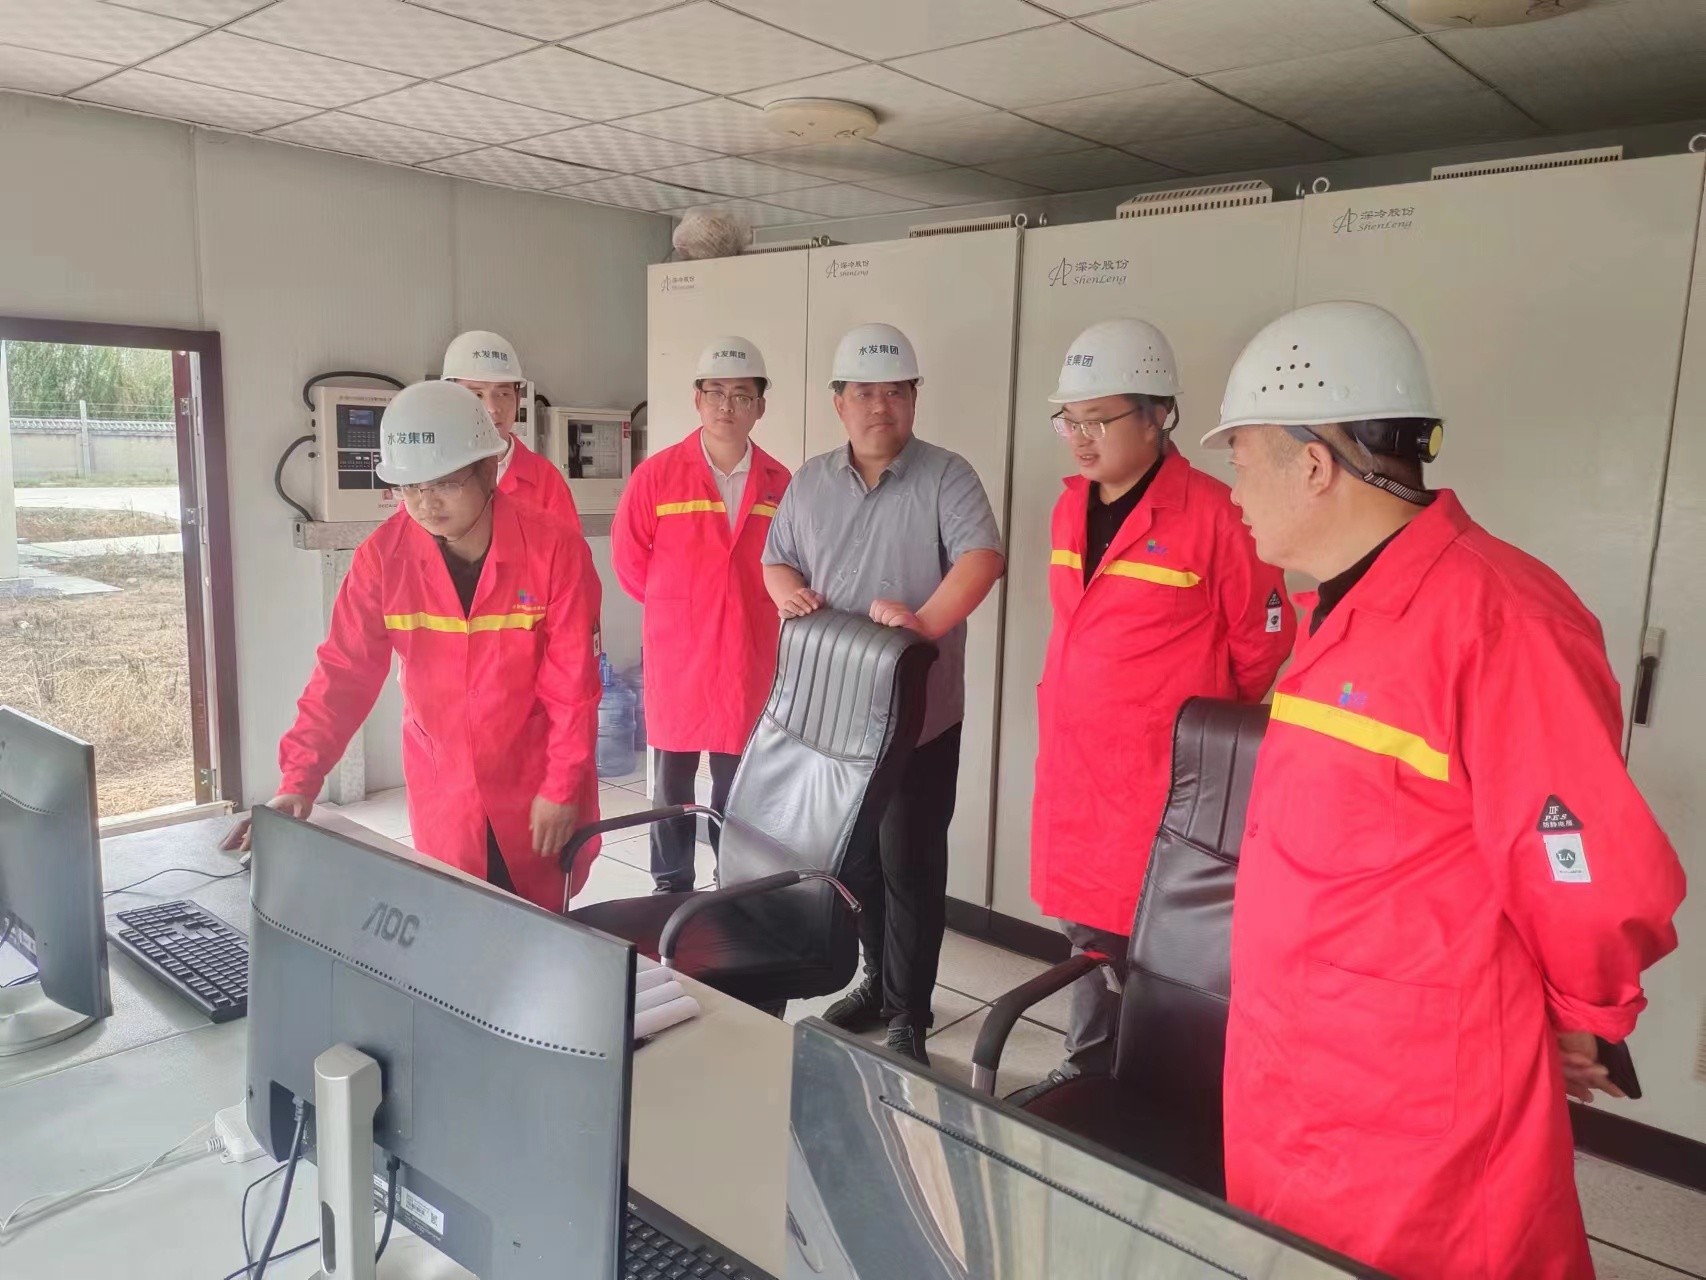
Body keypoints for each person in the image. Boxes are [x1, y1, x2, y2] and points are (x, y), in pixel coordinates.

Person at [1205, 300, 1685, 1280]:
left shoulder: (1500, 620)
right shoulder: (1332, 607)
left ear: (1313, 464)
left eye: (1243, 458)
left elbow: (1590, 876)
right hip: (1292, 1068)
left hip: (1416, 1108)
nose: (1233, 491)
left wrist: (1583, 1013)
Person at [1019, 319, 1293, 1101]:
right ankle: (1089, 1072)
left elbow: (1261, 642)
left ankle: (1138, 1091)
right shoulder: (1069, 509)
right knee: (1087, 933)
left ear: (1157, 415)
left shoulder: (1215, 515)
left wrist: (1190, 732)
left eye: (1097, 420)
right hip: (1079, 766)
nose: (1080, 438)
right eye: (1070, 420)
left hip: (1162, 776)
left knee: (1155, 943)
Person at [224, 379, 604, 913]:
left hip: (532, 777)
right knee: (452, 916)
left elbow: (572, 685)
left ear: (488, 469)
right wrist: (299, 781)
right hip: (445, 785)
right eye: (410, 487)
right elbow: (342, 675)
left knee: (538, 924)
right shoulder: (384, 559)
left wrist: (561, 787)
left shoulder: (553, 549)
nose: (426, 503)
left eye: (445, 483)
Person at [763, 322, 1006, 1064]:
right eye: (864, 393)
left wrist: (923, 622)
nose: (880, 406)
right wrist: (787, 591)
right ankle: (875, 982)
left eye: (895, 392)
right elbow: (776, 559)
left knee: (911, 865)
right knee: (854, 860)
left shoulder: (947, 476)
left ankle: (909, 1013)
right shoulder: (809, 482)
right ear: (839, 402)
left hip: (918, 717)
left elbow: (982, 559)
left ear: (914, 399)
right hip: (836, 716)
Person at [612, 336, 791, 893]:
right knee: (673, 780)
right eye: (715, 392)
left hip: (747, 650)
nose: (726, 406)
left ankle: (732, 883)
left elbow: (793, 560)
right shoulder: (657, 475)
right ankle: (671, 886)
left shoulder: (781, 482)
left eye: (741, 395)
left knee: (738, 782)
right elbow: (628, 560)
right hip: (679, 652)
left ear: (760, 406)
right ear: (697, 399)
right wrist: (680, 608)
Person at [442, 329, 582, 534]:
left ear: (518, 398)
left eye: (503, 393)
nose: (492, 408)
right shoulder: (431, 475)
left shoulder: (546, 480)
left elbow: (571, 551)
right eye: (476, 395)